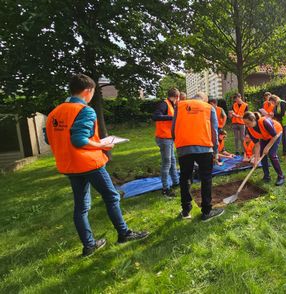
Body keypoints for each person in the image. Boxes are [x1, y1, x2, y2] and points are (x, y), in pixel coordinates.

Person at [45, 74, 148, 257]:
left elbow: (50, 138)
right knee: (111, 197)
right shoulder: (85, 110)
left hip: (69, 165)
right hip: (89, 162)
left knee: (81, 207)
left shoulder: (54, 113)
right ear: (88, 91)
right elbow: (79, 140)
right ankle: (124, 234)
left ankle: (89, 245)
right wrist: (102, 145)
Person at [173, 92, 224, 221]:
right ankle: (206, 212)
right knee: (206, 179)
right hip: (204, 147)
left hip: (183, 147)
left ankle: (186, 210)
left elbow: (173, 128)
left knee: (185, 178)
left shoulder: (179, 106)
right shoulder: (209, 108)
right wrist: (216, 150)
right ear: (205, 99)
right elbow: (214, 130)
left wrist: (178, 144)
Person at [243, 112, 285, 186]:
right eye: (245, 123)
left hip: (276, 134)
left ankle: (281, 176)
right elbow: (257, 145)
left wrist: (268, 147)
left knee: (272, 154)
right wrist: (256, 160)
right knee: (262, 155)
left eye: (248, 123)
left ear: (253, 120)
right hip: (264, 137)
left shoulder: (264, 121)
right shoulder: (249, 129)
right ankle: (266, 176)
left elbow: (274, 136)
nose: (246, 125)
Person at [152, 88, 180, 197]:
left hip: (169, 138)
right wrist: (172, 118)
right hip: (164, 138)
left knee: (172, 160)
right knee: (167, 162)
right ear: (176, 97)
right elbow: (155, 116)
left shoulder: (171, 105)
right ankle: (165, 188)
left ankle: (176, 182)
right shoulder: (164, 104)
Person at [269, 95, 286, 159]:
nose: (272, 104)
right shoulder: (276, 105)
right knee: (283, 138)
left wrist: (274, 114)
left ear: (275, 100)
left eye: (272, 102)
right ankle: (284, 153)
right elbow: (278, 115)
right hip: (283, 123)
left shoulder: (282, 103)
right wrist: (273, 115)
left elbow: (283, 114)